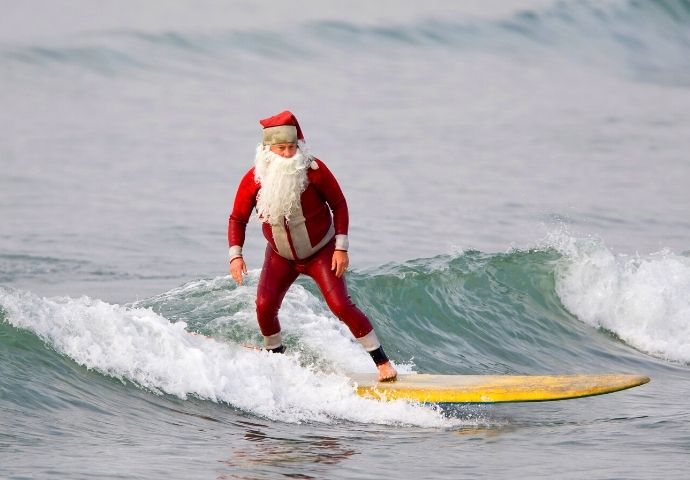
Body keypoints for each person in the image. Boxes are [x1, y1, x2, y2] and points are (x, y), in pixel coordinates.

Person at [227, 110, 397, 381]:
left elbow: (339, 204)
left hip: (321, 251)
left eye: (292, 147)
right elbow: (237, 218)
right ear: (267, 149)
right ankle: (276, 356)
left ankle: (382, 362)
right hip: (281, 255)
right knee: (264, 304)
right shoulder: (254, 179)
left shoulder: (313, 171)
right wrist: (236, 255)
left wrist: (341, 247)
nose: (287, 154)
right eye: (281, 148)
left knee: (341, 305)